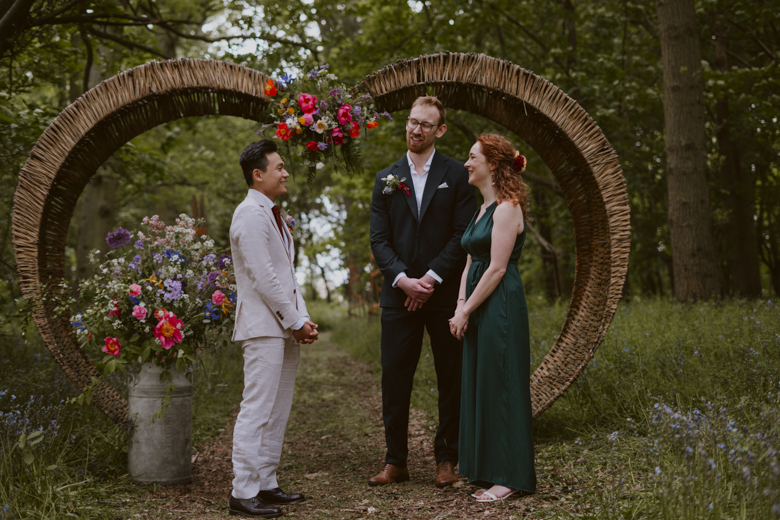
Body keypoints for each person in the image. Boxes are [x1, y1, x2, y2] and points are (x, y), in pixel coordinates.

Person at [369, 96, 477, 487]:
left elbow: (461, 234)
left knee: (451, 376)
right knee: (395, 377)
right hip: (398, 296)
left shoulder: (458, 175)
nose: (416, 130)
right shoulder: (386, 178)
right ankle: (395, 460)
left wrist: (429, 280)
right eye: (412, 122)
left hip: (445, 296)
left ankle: (446, 458)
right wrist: (403, 280)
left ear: (440, 130)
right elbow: (379, 240)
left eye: (425, 125)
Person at [228, 140, 319, 518]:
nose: (285, 172)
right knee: (257, 408)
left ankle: (266, 483)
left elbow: (286, 277)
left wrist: (303, 318)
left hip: (282, 325)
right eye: (279, 167)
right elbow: (263, 277)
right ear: (258, 174)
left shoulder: (273, 214)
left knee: (278, 408)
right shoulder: (249, 214)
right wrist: (294, 320)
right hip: (263, 327)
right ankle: (242, 491)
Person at [448, 134, 537, 502]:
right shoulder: (482, 209)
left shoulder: (507, 208)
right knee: (482, 381)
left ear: (493, 164)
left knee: (502, 382)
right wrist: (459, 304)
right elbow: (471, 258)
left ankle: (510, 476)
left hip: (499, 304)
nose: (466, 164)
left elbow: (497, 268)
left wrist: (467, 309)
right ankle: (485, 467)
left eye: (472, 158)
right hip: (477, 302)